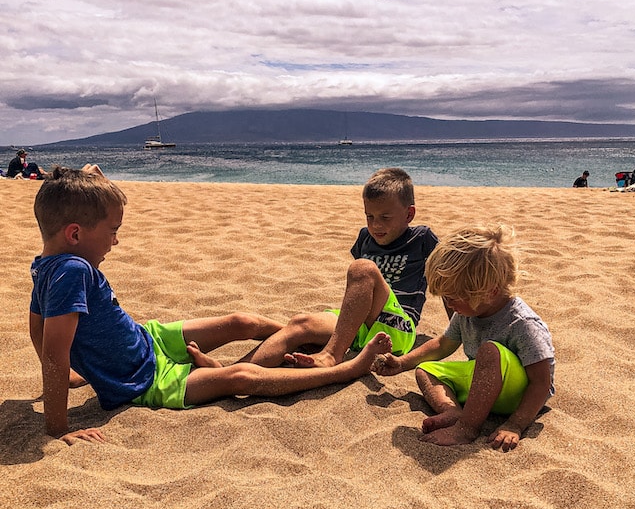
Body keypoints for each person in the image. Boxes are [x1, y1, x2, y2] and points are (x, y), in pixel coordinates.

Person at [29, 167, 392, 445]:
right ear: (75, 234)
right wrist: (58, 428)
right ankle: (344, 369)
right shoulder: (72, 271)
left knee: (242, 321)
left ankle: (302, 339)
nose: (117, 240)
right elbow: (53, 350)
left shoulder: (47, 264)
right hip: (146, 381)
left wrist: (77, 374)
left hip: (147, 340)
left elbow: (36, 324)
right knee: (241, 379)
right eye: (112, 230)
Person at [372, 224, 555, 452]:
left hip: (518, 397)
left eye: (453, 298)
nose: (448, 305)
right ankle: (453, 412)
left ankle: (466, 428)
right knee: (426, 370)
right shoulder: (468, 312)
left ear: (490, 291)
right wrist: (402, 363)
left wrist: (515, 425)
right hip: (484, 387)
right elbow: (442, 345)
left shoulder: (522, 323)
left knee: (490, 351)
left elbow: (542, 383)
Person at [248, 167, 442, 369]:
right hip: (358, 320)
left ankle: (332, 354)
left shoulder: (421, 238)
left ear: (409, 214)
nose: (375, 225)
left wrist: (459, 330)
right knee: (300, 324)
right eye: (370, 217)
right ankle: (227, 374)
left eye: (385, 218)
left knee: (363, 268)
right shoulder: (365, 238)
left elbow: (450, 282)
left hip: (397, 326)